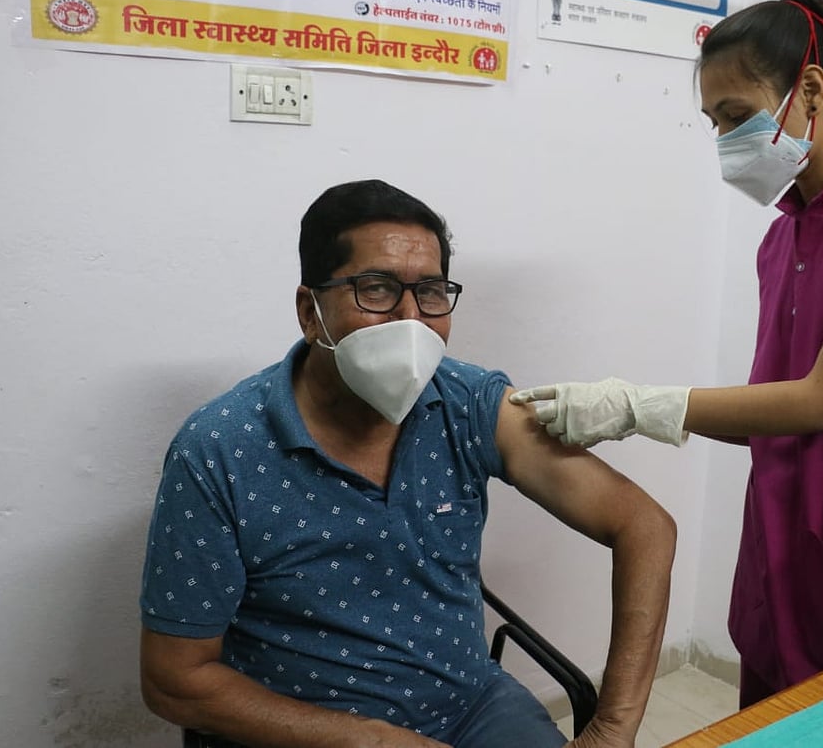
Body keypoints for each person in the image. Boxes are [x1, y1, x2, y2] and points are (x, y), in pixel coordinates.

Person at [512, 0, 823, 708]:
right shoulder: (780, 239)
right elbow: (771, 410)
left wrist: (639, 406)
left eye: (736, 116)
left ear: (809, 89)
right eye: (713, 123)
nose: (726, 141)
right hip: (783, 546)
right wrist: (630, 410)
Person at [138, 180, 677, 748]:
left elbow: (643, 525)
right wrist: (366, 739)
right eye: (376, 289)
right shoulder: (221, 450)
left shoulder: (468, 403)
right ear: (310, 312)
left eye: (431, 293)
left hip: (470, 708)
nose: (411, 319)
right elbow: (175, 681)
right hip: (311, 732)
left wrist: (613, 731)